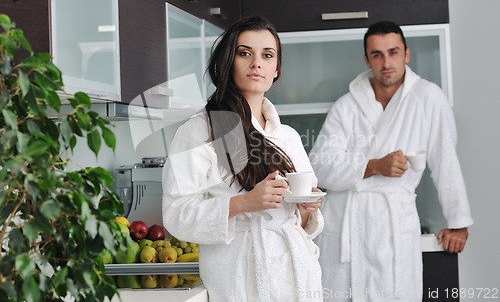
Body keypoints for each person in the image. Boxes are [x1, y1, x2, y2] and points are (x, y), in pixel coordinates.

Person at [162, 15, 325, 301]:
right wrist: (244, 204)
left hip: (296, 276)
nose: (256, 63)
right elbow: (176, 214)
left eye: (267, 55)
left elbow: (300, 218)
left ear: (277, 69)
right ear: (228, 62)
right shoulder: (200, 130)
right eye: (244, 53)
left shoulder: (288, 137)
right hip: (241, 278)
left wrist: (307, 208)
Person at [309, 21, 473, 301]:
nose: (386, 62)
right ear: (367, 60)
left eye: (393, 52)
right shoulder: (347, 106)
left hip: (392, 223)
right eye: (377, 54)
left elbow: (446, 160)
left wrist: (458, 222)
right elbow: (320, 167)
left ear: (406, 54)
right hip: (347, 223)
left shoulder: (428, 98)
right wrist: (374, 166)